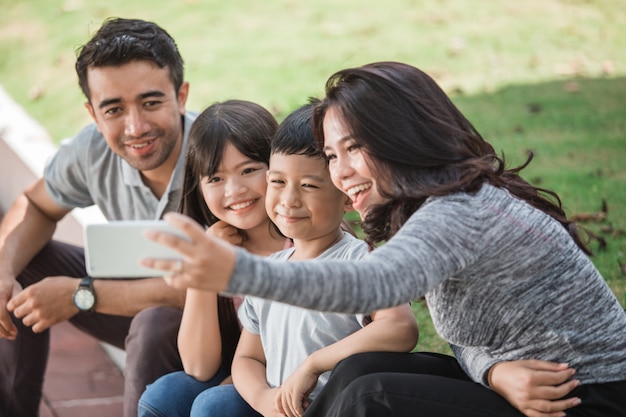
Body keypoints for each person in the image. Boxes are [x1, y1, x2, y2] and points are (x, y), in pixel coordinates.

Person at [143, 61, 626, 417]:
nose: (342, 171)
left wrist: (234, 271)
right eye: (332, 155)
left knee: (369, 396)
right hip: (527, 383)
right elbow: (473, 338)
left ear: (400, 137)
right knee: (357, 373)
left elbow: (365, 287)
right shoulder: (431, 206)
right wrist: (497, 373)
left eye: (354, 147)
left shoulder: (460, 212)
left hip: (585, 397)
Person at [0, 17, 195, 417]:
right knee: (22, 266)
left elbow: (224, 292)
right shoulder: (93, 150)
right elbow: (34, 205)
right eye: (114, 109)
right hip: (136, 307)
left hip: (226, 330)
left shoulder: (221, 156)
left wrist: (79, 293)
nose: (135, 126)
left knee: (155, 323)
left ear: (182, 96)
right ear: (93, 113)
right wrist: (2, 271)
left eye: (151, 102)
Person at [194, 100, 417, 417]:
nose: (289, 200)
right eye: (278, 182)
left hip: (339, 409)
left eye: (309, 186)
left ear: (348, 196)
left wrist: (315, 363)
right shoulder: (268, 271)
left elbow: (400, 327)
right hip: (279, 410)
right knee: (213, 407)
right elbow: (248, 358)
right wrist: (263, 399)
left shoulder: (359, 263)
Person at [138, 99, 285, 417]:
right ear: (199, 186)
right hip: (240, 379)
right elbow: (199, 367)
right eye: (215, 179)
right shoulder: (211, 249)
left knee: (214, 405)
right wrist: (203, 273)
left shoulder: (306, 238)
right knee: (164, 395)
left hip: (295, 384)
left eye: (248, 170)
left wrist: (236, 382)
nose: (234, 190)